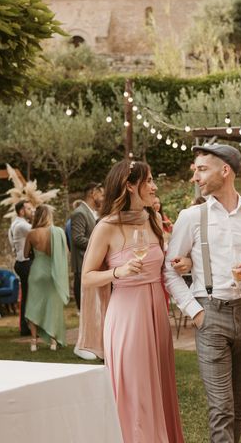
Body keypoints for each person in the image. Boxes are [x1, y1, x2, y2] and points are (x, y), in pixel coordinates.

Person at [165, 144, 241, 443]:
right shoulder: (191, 217)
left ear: (225, 170)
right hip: (210, 315)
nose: (195, 177)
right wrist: (195, 312)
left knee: (238, 408)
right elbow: (169, 271)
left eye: (202, 169)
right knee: (221, 408)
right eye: (195, 170)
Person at [81, 160, 185, 443]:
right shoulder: (106, 226)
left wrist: (181, 263)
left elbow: (163, 265)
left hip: (157, 313)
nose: (154, 186)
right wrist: (118, 272)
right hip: (127, 315)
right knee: (136, 391)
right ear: (129, 185)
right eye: (148, 180)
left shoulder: (151, 219)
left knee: (160, 386)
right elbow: (87, 277)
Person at [24, 204, 70, 351]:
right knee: (53, 306)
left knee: (33, 306)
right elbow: (66, 252)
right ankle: (53, 342)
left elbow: (25, 254)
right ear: (49, 216)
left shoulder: (31, 233)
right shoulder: (58, 232)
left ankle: (33, 342)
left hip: (37, 272)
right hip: (53, 273)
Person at [71, 183, 104, 361]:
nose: (104, 197)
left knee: (93, 308)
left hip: (92, 266)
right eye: (102, 194)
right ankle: (81, 345)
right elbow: (77, 239)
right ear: (93, 193)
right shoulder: (79, 213)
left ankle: (90, 343)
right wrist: (100, 243)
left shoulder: (91, 213)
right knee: (85, 308)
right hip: (82, 266)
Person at [9, 200, 33, 336]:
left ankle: (25, 326)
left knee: (26, 296)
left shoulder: (13, 225)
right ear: (22, 211)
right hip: (25, 263)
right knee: (30, 296)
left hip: (20, 262)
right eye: (29, 209)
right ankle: (27, 326)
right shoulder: (23, 225)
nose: (32, 211)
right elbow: (39, 233)